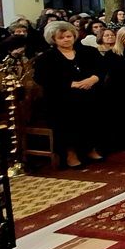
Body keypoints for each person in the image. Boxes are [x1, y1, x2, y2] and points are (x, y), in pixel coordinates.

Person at [32, 21, 105, 168]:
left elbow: (102, 68)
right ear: (53, 39)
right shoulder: (46, 58)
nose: (66, 39)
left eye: (69, 36)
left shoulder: (88, 52)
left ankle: (90, 148)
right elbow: (41, 78)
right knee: (67, 116)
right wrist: (69, 84)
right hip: (61, 97)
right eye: (61, 38)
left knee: (94, 109)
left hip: (89, 92)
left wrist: (93, 78)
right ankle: (70, 153)